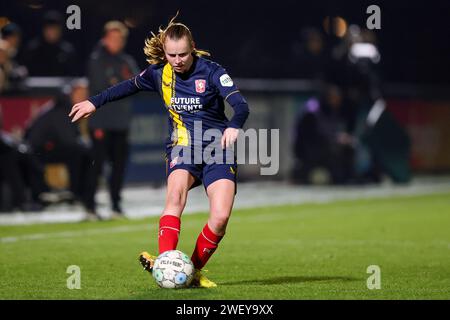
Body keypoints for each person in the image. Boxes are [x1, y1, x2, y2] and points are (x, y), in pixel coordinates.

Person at [69, 15, 250, 287]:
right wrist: (94, 102)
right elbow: (126, 87)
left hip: (216, 149)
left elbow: (241, 105)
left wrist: (234, 125)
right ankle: (166, 260)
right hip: (183, 147)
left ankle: (193, 270)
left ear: (193, 48)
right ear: (164, 52)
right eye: (171, 55)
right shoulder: (159, 73)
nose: (177, 60)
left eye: (183, 54)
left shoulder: (213, 72)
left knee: (221, 217)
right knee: (174, 198)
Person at [85, 21, 139, 217]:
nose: (117, 42)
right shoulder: (97, 59)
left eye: (120, 38)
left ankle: (115, 205)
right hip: (100, 122)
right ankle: (90, 206)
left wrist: (119, 84)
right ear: (105, 38)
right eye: (113, 37)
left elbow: (136, 85)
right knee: (96, 166)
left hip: (121, 123)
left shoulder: (126, 60)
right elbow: (103, 88)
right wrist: (120, 86)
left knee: (118, 166)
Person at [25, 79, 95, 212]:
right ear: (71, 94)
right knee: (81, 153)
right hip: (37, 152)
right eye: (80, 94)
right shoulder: (61, 109)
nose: (84, 98)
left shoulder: (68, 107)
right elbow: (68, 140)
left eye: (85, 95)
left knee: (85, 153)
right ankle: (77, 193)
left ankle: (82, 194)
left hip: (50, 148)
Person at [22, 11, 79, 76]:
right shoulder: (32, 49)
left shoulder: (67, 51)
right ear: (43, 30)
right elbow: (24, 71)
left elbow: (74, 75)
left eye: (55, 29)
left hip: (63, 86)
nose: (52, 32)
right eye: (49, 28)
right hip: (36, 85)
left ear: (61, 30)